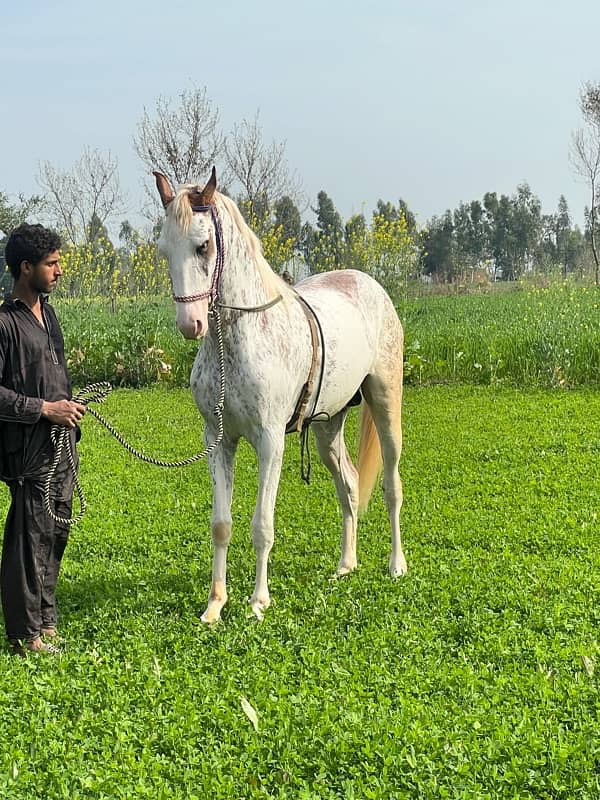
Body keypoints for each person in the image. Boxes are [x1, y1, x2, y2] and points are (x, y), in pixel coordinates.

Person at [0, 223, 86, 656]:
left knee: (57, 531)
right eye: (51, 263)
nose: (59, 270)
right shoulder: (4, 323)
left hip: (62, 444)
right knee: (28, 537)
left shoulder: (48, 314)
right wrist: (45, 410)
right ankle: (23, 634)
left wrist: (68, 409)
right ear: (25, 267)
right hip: (29, 449)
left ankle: (46, 621)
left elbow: (54, 375)